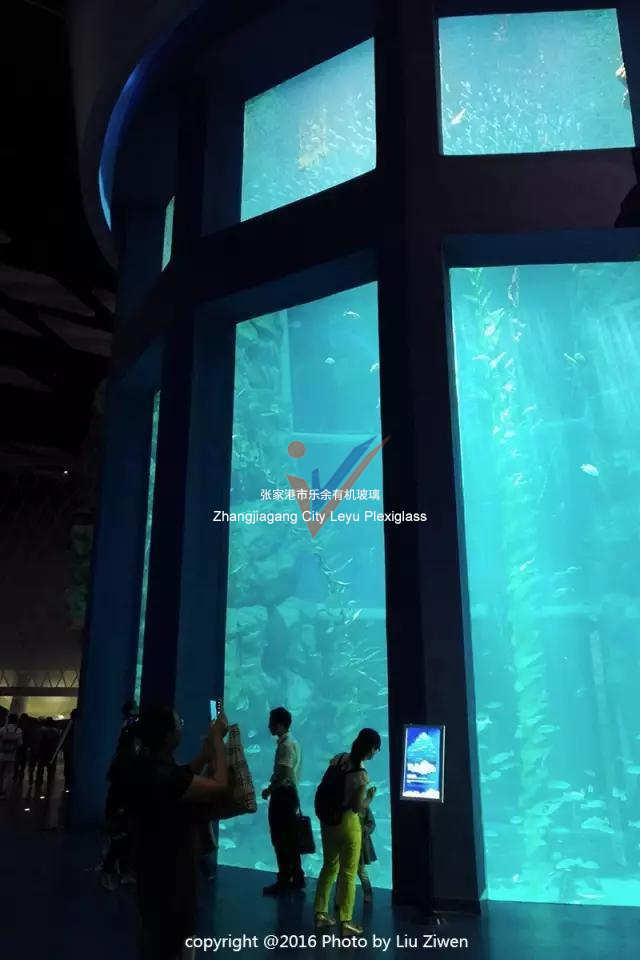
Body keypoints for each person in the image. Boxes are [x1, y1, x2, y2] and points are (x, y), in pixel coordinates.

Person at [125, 704, 230, 960]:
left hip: (151, 866)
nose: (181, 727)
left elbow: (181, 776)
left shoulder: (145, 764)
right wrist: (217, 741)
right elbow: (219, 785)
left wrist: (204, 756)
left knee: (153, 932)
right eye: (178, 723)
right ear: (167, 735)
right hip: (173, 871)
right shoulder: (164, 775)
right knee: (176, 936)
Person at [313, 728, 381, 936]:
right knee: (349, 872)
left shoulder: (339, 758)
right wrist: (369, 798)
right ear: (371, 749)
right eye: (376, 749)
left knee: (328, 867)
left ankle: (320, 914)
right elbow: (357, 807)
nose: (376, 753)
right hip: (347, 824)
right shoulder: (361, 774)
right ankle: (346, 921)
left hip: (328, 821)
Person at [261, 707, 304, 896]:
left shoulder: (286, 745)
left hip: (283, 796)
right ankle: (297, 877)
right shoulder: (292, 742)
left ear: (279, 725)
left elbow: (285, 774)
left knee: (280, 838)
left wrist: (269, 790)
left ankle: (285, 880)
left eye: (271, 722)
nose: (269, 726)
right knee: (291, 838)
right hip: (290, 795)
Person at [101, 701, 140, 890]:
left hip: (124, 791)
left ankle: (123, 871)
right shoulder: (130, 735)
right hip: (123, 793)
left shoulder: (127, 731)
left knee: (126, 833)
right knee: (122, 833)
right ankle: (108, 870)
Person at [0, 714, 23, 797]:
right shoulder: (19, 731)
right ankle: (4, 791)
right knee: (8, 774)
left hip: (1, 754)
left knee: (1, 773)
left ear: (8, 720)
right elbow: (20, 743)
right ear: (16, 721)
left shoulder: (2, 729)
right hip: (12, 756)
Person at [35, 717, 60, 792]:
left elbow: (38, 741)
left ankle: (39, 783)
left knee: (40, 769)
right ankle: (49, 784)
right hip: (52, 752)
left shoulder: (41, 730)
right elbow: (57, 741)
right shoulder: (56, 731)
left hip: (42, 751)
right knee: (51, 770)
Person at [13, 713, 30, 782]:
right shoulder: (28, 725)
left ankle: (16, 773)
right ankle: (21, 772)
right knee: (23, 759)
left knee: (17, 758)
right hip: (25, 744)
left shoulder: (18, 724)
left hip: (18, 744)